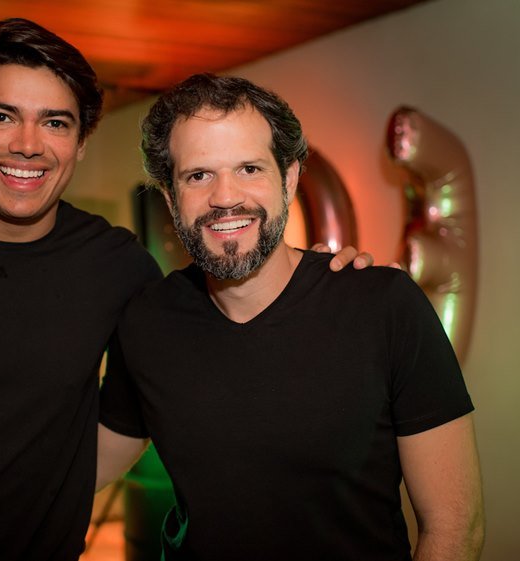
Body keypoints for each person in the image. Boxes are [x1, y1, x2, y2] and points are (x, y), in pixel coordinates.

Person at [0, 19, 371, 561]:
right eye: (2, 115)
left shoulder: (119, 267)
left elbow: (214, 334)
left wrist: (313, 276)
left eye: (55, 123)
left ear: (80, 144)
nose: (28, 144)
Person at [97, 73, 485, 560]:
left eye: (249, 169)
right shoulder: (147, 323)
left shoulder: (384, 306)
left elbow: (454, 527)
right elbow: (80, 467)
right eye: (198, 175)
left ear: (290, 179)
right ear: (172, 199)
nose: (225, 197)